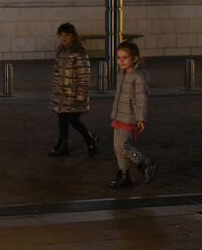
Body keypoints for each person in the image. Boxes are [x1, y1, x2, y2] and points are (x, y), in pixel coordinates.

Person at [109, 40, 158, 188]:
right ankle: (124, 176)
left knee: (123, 146)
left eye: (125, 57)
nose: (121, 61)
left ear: (135, 58)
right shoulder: (121, 74)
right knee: (117, 148)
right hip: (119, 115)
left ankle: (145, 163)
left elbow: (141, 99)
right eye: (119, 58)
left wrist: (141, 118)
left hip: (129, 117)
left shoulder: (138, 76)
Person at [49, 22, 98, 157]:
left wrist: (81, 96)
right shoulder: (60, 50)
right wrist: (56, 90)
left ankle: (89, 139)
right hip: (61, 94)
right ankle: (63, 145)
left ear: (73, 36)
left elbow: (84, 75)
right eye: (61, 35)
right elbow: (56, 71)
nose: (63, 38)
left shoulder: (79, 52)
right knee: (62, 119)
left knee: (72, 119)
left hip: (74, 94)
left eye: (67, 35)